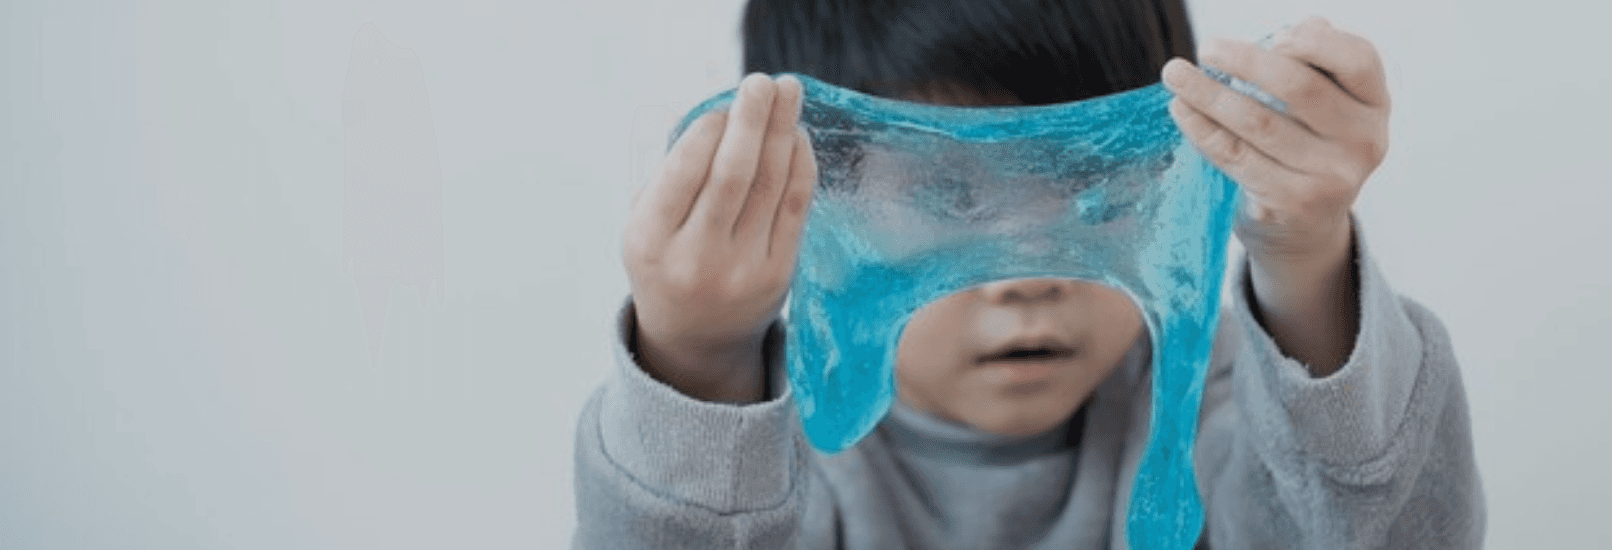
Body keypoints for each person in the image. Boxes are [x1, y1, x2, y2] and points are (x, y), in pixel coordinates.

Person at [575, 0, 1485, 548]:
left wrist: (1306, 255)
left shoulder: (1216, 417)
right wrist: (697, 358)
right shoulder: (777, 466)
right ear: (814, 190)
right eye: (949, 199)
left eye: (1085, 185)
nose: (1023, 279)